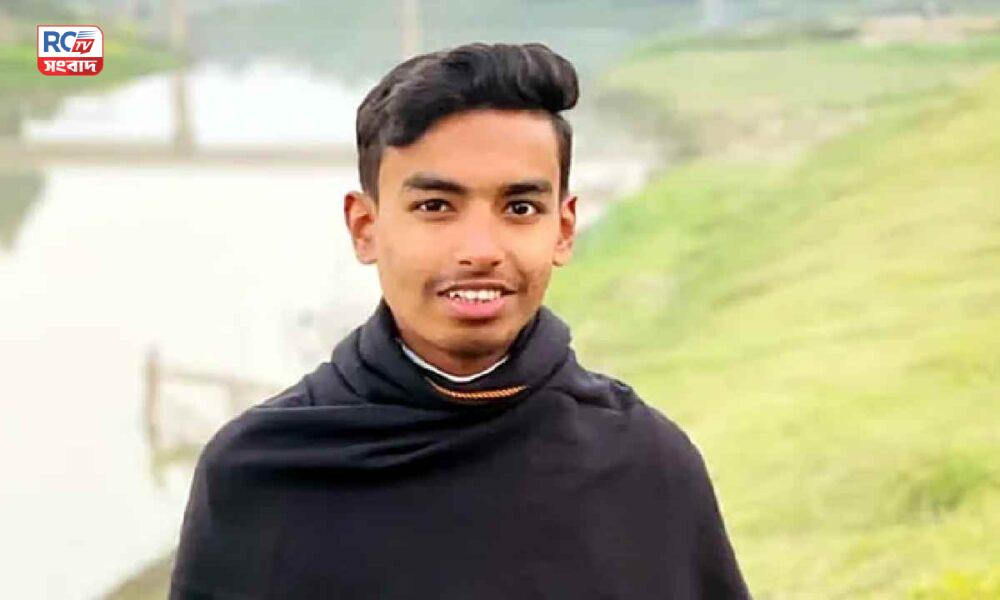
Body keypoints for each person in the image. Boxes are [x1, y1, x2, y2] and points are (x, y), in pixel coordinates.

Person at [169, 41, 752, 599]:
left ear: (564, 228)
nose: (480, 250)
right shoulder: (259, 471)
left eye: (519, 208)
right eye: (435, 207)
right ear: (365, 228)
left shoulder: (644, 463)